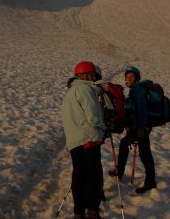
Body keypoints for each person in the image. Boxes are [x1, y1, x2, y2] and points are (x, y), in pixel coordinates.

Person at [61, 61, 106, 219]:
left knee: (78, 176)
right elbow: (93, 116)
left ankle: (78, 212)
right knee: (92, 177)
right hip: (88, 139)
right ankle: (92, 211)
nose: (92, 77)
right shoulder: (85, 89)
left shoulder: (70, 93)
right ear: (84, 75)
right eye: (91, 74)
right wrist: (103, 128)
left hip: (74, 142)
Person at [109, 66, 157, 194]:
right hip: (136, 127)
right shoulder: (134, 90)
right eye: (127, 77)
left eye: (131, 77)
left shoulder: (139, 90)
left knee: (144, 153)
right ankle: (119, 172)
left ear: (137, 79)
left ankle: (150, 181)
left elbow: (142, 111)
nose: (128, 79)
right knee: (125, 144)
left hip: (141, 128)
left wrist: (142, 128)